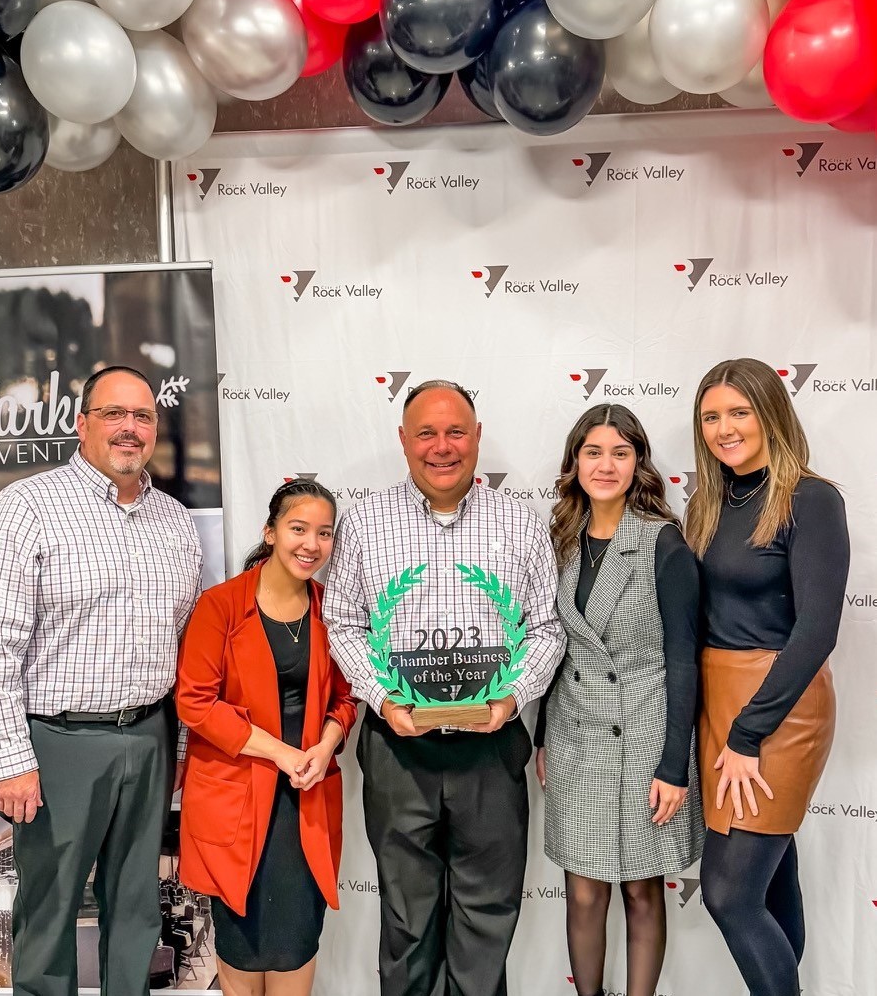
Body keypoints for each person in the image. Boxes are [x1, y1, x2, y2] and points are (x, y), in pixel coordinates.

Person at [0, 365, 203, 996]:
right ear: (82, 423)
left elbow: (181, 642)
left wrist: (177, 748)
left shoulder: (176, 522)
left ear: (155, 427)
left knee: (136, 909)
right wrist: (12, 759)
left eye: (143, 416)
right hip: (58, 743)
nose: (130, 428)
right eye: (114, 414)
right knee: (49, 910)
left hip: (150, 737)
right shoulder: (27, 507)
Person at [323, 379, 564, 996]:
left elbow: (546, 627)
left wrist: (515, 697)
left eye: (456, 431)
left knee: (487, 914)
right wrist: (383, 698)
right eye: (426, 433)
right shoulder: (365, 521)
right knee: (406, 917)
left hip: (491, 747)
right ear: (403, 441)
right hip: (398, 748)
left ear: (477, 437)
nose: (442, 446)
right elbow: (342, 623)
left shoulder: (520, 522)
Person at [687, 357, 850, 996]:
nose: (724, 428)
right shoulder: (708, 501)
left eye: (739, 412)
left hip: (777, 708)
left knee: (728, 893)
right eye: (710, 416)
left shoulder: (812, 498)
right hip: (717, 700)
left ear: (770, 414)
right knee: (771, 879)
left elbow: (816, 630)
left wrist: (749, 733)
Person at [534, 404, 703, 996]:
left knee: (640, 887)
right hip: (576, 734)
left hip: (646, 735)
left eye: (620, 453)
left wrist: (673, 764)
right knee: (582, 889)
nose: (605, 465)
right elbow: (552, 646)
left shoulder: (664, 544)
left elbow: (684, 661)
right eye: (593, 452)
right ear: (574, 461)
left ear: (639, 464)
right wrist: (542, 738)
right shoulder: (558, 540)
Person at [175, 478, 358, 996]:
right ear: (271, 532)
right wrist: (281, 752)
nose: (311, 544)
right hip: (236, 802)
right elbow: (195, 701)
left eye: (324, 533)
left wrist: (324, 747)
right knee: (240, 949)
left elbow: (346, 698)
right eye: (298, 528)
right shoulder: (221, 606)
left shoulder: (331, 609)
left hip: (306, 805)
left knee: (296, 945)